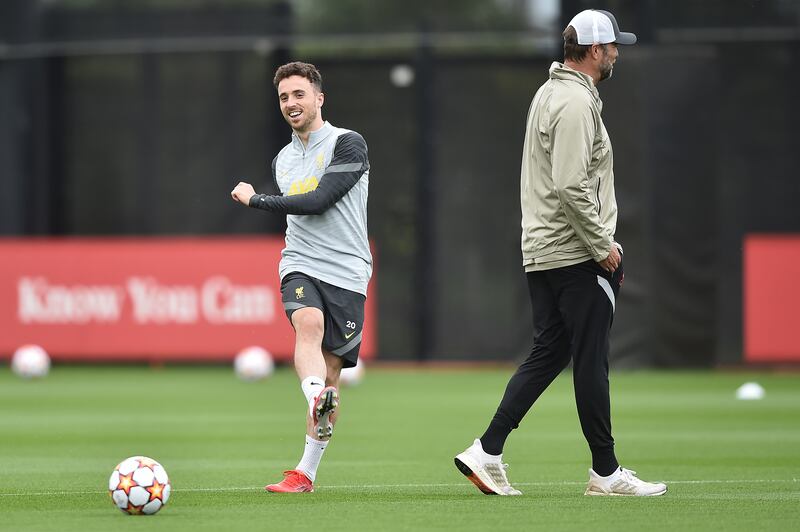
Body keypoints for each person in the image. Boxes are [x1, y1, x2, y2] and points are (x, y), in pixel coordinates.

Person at [454, 10, 667, 497]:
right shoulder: (573, 102)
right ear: (595, 51)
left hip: (546, 248)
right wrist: (602, 246)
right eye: (613, 46)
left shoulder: (552, 92)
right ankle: (606, 473)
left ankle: (486, 450)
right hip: (574, 251)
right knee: (591, 360)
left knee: (551, 353)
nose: (616, 53)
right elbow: (572, 184)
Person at [231, 61, 371, 493]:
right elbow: (299, 217)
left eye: (298, 95)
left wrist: (256, 200)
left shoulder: (348, 144)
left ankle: (306, 472)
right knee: (306, 323)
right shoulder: (284, 159)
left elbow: (319, 201)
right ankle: (315, 398)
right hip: (301, 260)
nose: (291, 103)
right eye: (283, 97)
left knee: (332, 372)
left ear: (318, 98)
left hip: (347, 270)